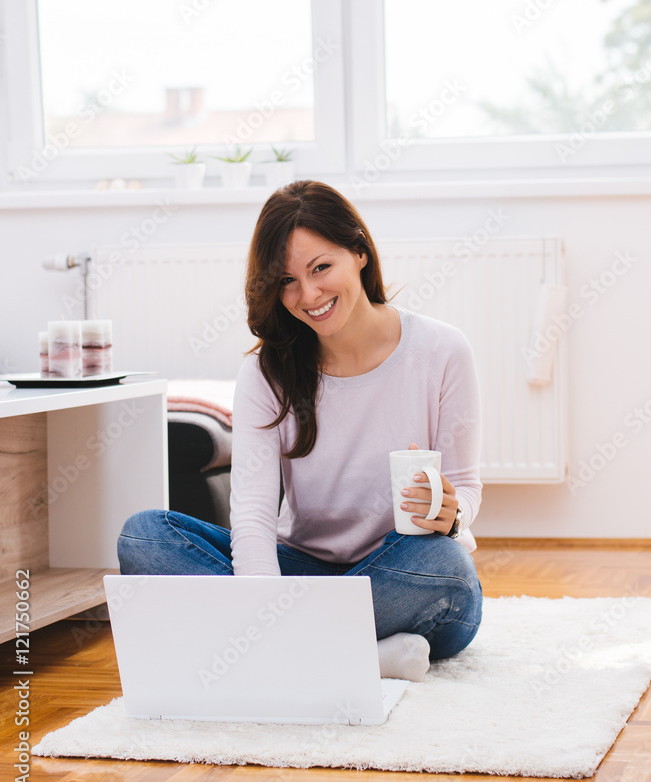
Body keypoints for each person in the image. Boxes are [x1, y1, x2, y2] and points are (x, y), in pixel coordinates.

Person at [118, 180, 483, 681]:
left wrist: (451, 511)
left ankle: (275, 652)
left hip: (403, 568)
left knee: (446, 567)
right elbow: (251, 513)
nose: (308, 295)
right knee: (145, 536)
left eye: (320, 268)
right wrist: (262, 598)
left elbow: (465, 486)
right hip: (301, 570)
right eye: (287, 281)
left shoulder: (443, 350)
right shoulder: (267, 373)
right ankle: (352, 655)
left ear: (358, 250)